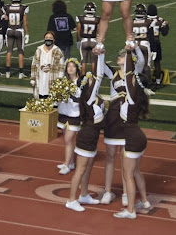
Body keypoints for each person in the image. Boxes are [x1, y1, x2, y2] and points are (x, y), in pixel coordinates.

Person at [99, 47, 145, 206]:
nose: (120, 57)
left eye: (123, 55)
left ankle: (126, 193)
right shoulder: (113, 73)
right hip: (112, 116)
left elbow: (142, 61)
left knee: (125, 158)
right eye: (120, 56)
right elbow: (100, 64)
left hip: (127, 119)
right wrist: (100, 49)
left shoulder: (133, 73)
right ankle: (107, 191)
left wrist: (135, 47)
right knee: (110, 156)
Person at [114, 47, 152, 219]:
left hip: (132, 137)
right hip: (139, 137)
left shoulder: (132, 95)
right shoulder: (139, 97)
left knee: (128, 174)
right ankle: (144, 201)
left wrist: (129, 52)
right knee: (135, 171)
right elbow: (130, 76)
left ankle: (130, 210)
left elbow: (129, 74)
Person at [65, 53, 106, 212]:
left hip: (93, 136)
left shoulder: (93, 96)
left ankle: (83, 195)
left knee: (88, 167)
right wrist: (100, 55)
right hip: (87, 136)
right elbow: (100, 75)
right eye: (89, 80)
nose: (92, 80)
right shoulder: (88, 97)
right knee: (80, 169)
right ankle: (71, 200)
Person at [57, 58, 82, 175]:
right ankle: (71, 162)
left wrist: (70, 97)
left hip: (74, 114)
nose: (70, 68)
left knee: (68, 139)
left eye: (73, 66)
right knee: (68, 140)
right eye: (68, 66)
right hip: (63, 113)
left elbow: (82, 99)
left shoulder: (81, 82)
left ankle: (66, 165)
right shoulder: (63, 81)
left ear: (77, 69)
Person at [30, 31, 65, 99]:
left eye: (50, 38)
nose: (48, 39)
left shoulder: (57, 51)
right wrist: (33, 79)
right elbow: (34, 66)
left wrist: (59, 81)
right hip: (40, 81)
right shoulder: (39, 50)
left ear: (54, 40)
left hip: (52, 82)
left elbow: (61, 68)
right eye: (47, 37)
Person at [4, 0, 29, 79]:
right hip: (19, 30)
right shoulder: (23, 8)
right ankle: (20, 73)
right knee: (20, 52)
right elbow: (25, 22)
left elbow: (5, 19)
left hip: (10, 30)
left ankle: (7, 72)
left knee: (9, 51)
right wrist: (27, 34)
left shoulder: (7, 7)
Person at [146, 4, 169, 90]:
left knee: (145, 63)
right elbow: (164, 33)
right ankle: (158, 82)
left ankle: (146, 82)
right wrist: (166, 25)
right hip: (156, 43)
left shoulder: (145, 20)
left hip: (146, 42)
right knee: (157, 63)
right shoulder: (160, 20)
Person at [76, 2, 101, 75]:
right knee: (93, 60)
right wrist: (99, 42)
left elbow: (78, 31)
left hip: (84, 41)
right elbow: (99, 33)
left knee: (83, 60)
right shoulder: (97, 19)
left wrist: (78, 41)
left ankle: (83, 76)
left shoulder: (81, 18)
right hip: (94, 41)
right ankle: (93, 77)